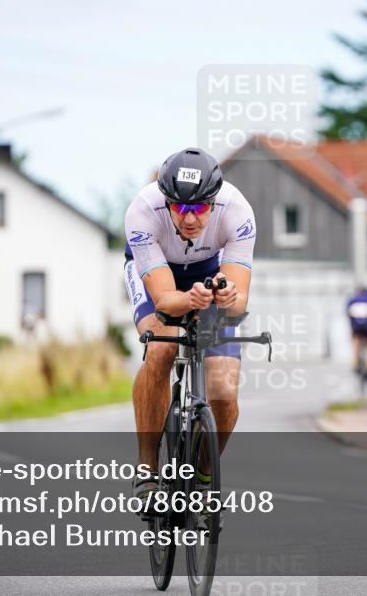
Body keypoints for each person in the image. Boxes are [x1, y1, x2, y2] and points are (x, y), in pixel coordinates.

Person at [123, 148, 256, 502]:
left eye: (199, 208)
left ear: (214, 202)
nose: (190, 218)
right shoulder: (142, 210)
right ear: (165, 202)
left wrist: (225, 298)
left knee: (224, 393)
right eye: (180, 208)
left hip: (208, 274)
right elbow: (166, 300)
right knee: (162, 346)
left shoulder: (238, 211)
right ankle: (148, 467)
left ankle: (202, 472)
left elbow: (238, 297)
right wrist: (189, 300)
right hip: (156, 274)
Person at [346, 286, 367, 382]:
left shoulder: (352, 300)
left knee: (356, 343)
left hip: (356, 327)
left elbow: (349, 315)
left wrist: (351, 328)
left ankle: (355, 365)